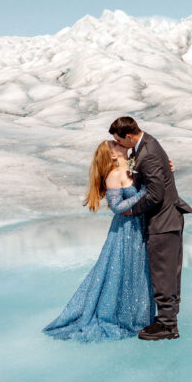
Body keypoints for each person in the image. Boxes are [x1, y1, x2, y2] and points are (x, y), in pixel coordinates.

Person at [43, 140, 154, 341]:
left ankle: (139, 316)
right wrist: (144, 194)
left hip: (140, 228)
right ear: (113, 155)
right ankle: (116, 315)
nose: (119, 142)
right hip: (125, 230)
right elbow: (117, 207)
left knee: (138, 271)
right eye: (115, 144)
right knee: (120, 270)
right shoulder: (113, 175)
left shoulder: (131, 166)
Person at [109, 116, 192, 340]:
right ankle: (167, 318)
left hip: (163, 221)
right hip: (170, 219)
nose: (120, 145)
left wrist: (131, 210)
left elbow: (156, 195)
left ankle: (167, 326)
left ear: (129, 136)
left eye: (120, 140)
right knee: (169, 273)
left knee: (163, 274)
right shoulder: (148, 144)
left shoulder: (146, 154)